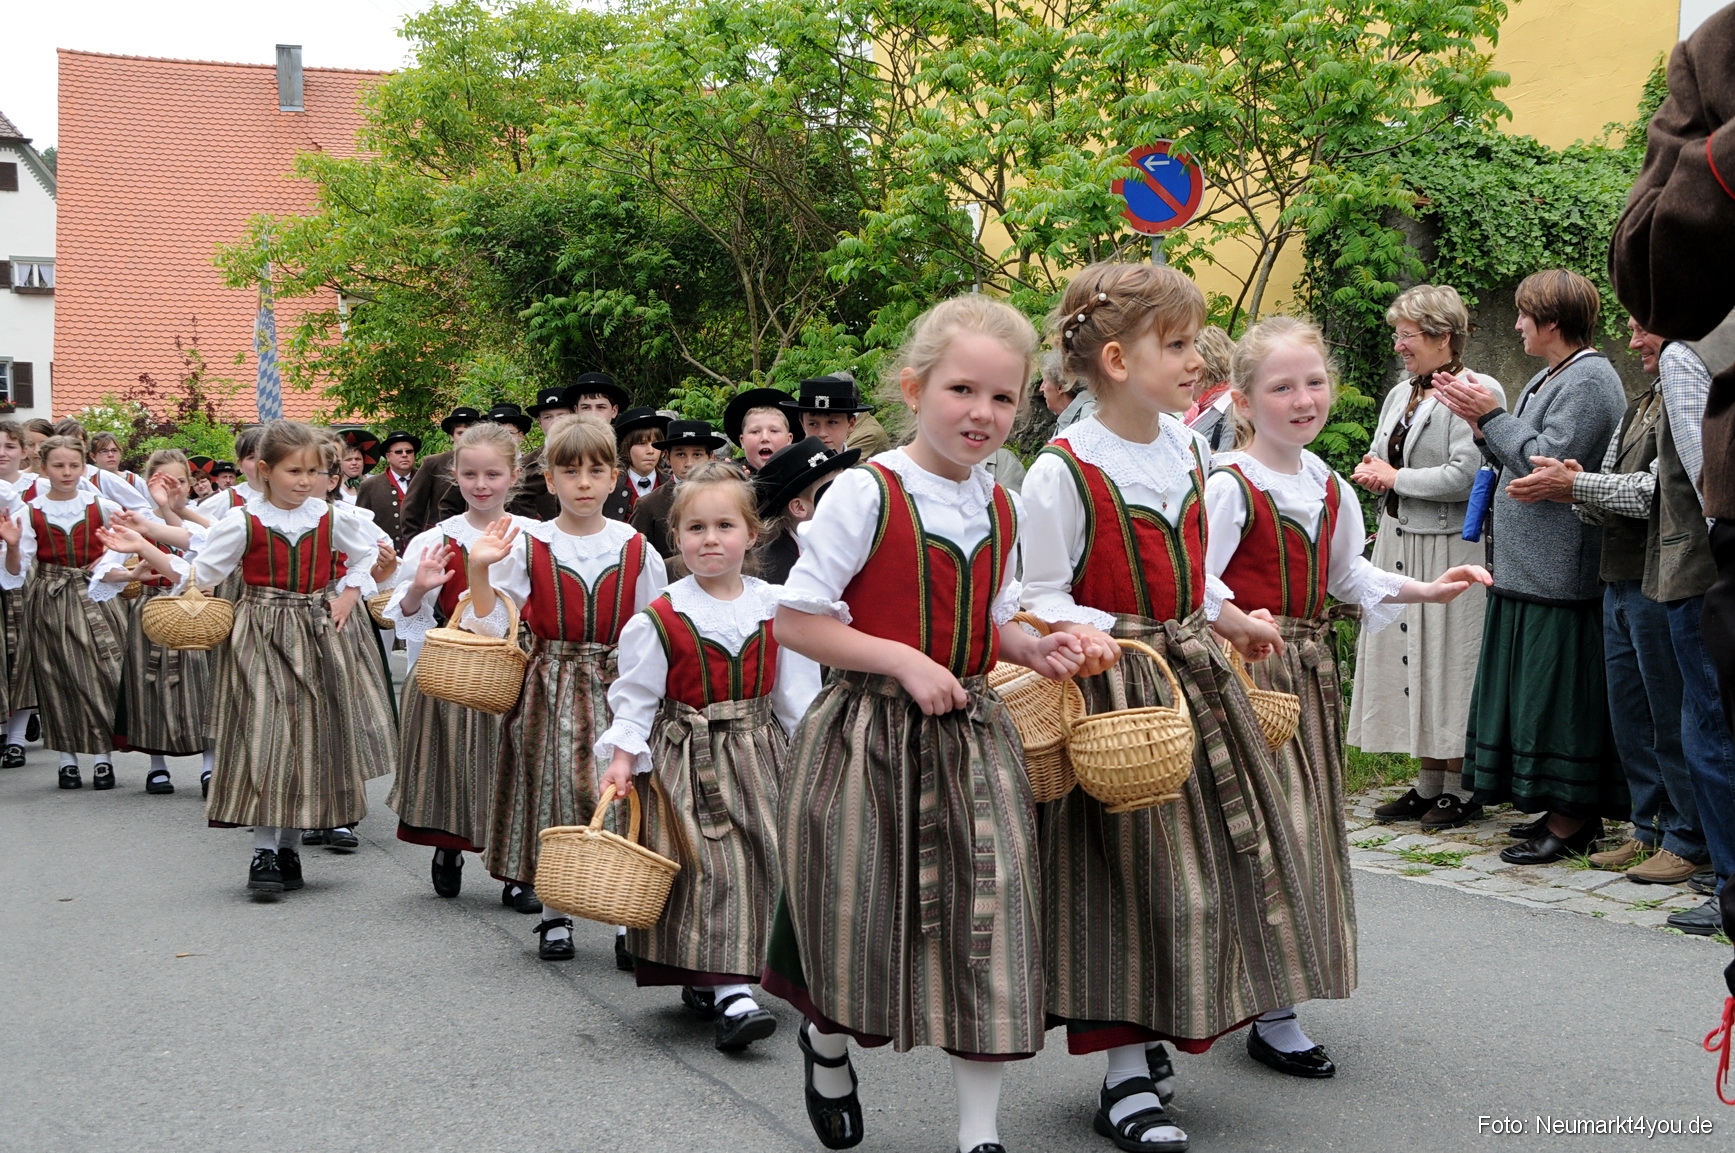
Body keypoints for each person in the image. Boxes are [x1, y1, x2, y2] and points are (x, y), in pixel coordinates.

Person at [765, 294, 1084, 1153]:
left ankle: (977, 1132)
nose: (981, 413)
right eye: (961, 390)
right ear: (913, 387)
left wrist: (1033, 648)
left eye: (1003, 397)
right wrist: (902, 660)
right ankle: (826, 1044)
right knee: (856, 914)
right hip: (866, 735)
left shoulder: (1003, 504)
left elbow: (989, 619)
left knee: (991, 921)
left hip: (973, 739)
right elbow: (797, 621)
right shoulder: (864, 493)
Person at [1020, 263, 1316, 1151]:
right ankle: (1122, 1076)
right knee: (1126, 880)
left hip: (1195, 676)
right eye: (1177, 344)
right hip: (1119, 695)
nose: (1196, 360)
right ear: (1115, 358)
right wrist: (1093, 631)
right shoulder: (1062, 469)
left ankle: (1165, 1029)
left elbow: (1197, 574)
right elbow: (1037, 590)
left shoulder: (1190, 450)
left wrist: (1233, 619)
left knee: (1205, 875)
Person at [1207, 316, 1492, 1077]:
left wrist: (1429, 589)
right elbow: (1190, 585)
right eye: (1281, 386)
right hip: (1238, 676)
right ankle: (1234, 996)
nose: (1303, 399)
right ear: (1241, 400)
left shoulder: (1327, 483)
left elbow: (1347, 578)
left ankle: (1272, 1003)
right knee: (1249, 833)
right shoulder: (1228, 485)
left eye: (1313, 382)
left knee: (1300, 832)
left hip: (1303, 676)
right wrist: (1238, 625)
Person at [108, 420, 395, 894]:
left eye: (313, 471)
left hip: (318, 634)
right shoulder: (242, 521)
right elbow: (197, 573)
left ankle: (290, 848)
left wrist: (349, 592)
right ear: (265, 470)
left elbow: (370, 554)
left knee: (308, 737)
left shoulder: (330, 517)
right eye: (293, 471)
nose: (304, 481)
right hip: (258, 632)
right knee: (265, 736)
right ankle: (264, 848)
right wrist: (143, 547)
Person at [1508, 318, 1726, 917]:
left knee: (1672, 717)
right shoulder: (1641, 401)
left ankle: (1688, 841)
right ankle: (1649, 827)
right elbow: (1608, 480)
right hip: (1622, 574)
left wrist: (1577, 487)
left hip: (1667, 576)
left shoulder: (1688, 389)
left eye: (1643, 331)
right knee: (1633, 716)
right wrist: (1579, 486)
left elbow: (1652, 492)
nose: (1633, 343)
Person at [598, 463, 820, 1050]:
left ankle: (724, 973)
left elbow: (796, 695)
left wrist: (812, 757)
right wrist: (623, 757)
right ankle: (732, 993)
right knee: (711, 869)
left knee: (765, 862)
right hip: (686, 759)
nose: (710, 539)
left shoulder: (777, 607)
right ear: (677, 537)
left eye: (725, 525)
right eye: (695, 528)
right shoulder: (660, 617)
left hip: (760, 751)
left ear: (753, 533)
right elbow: (637, 697)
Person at [1609, 4, 1735, 958]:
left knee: (1702, 728)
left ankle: (1701, 850)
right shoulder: (1715, 49)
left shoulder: (1684, 365)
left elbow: (1677, 477)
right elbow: (1653, 265)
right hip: (1686, 566)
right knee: (1691, 723)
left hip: (1686, 564)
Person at [1434, 268, 1629, 865]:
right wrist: (1481, 424)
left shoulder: (1593, 380)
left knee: (1559, 695)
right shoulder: (1550, 375)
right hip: (1528, 567)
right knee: (1532, 693)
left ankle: (1575, 816)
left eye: (1524, 315)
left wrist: (1493, 417)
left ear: (1551, 322)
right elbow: (1514, 457)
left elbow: (1543, 463)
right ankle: (1554, 804)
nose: (1515, 324)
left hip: (1561, 573)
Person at [455, 415, 666, 952]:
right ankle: (554, 913)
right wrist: (479, 572)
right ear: (549, 480)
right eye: (570, 471)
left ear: (615, 477)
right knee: (551, 793)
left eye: (596, 470)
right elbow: (493, 625)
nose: (584, 483)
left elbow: (654, 632)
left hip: (618, 682)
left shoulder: (637, 548)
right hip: (548, 681)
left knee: (619, 793)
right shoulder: (529, 544)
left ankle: (623, 918)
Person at [1350, 285, 1505, 829]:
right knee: (1407, 659)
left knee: (1448, 662)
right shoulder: (1401, 393)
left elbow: (1469, 475)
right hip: (1399, 542)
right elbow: (1383, 453)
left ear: (1443, 336)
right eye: (1398, 334)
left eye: (1407, 335)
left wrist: (1395, 478)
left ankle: (1461, 790)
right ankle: (1426, 784)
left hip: (1447, 547)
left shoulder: (1476, 390)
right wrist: (1375, 471)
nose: (1399, 345)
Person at [384, 422, 534, 899]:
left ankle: (516, 872)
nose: (482, 485)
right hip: (452, 667)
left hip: (514, 665)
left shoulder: (534, 537)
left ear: (513, 476)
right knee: (453, 763)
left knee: (517, 766)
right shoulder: (435, 540)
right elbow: (404, 617)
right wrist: (417, 590)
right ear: (455, 476)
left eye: (493, 474)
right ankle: (448, 843)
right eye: (470, 475)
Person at [0, 436, 123, 790]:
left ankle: (102, 758)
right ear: (43, 468)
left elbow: (124, 544)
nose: (66, 472)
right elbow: (14, 571)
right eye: (58, 465)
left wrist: (109, 559)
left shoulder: (101, 505)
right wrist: (10, 545)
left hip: (96, 595)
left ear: (84, 468)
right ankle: (67, 760)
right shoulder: (29, 511)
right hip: (50, 598)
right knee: (57, 677)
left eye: (73, 465)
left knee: (103, 675)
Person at [99, 450, 217, 798]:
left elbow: (204, 547)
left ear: (189, 483)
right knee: (149, 686)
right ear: (149, 483)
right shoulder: (133, 521)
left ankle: (210, 765)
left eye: (179, 480)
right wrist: (132, 572)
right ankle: (157, 766)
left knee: (204, 688)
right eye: (163, 481)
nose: (172, 487)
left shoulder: (199, 520)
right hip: (152, 610)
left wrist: (170, 508)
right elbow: (103, 571)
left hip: (199, 609)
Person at [748, 437, 859, 584]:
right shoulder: (763, 574)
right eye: (834, 490)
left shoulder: (862, 539)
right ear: (799, 507)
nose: (847, 496)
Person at [631, 419, 729, 559]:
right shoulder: (649, 505)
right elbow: (636, 557)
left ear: (711, 457)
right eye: (680, 454)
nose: (689, 463)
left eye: (697, 454)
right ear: (667, 458)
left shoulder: (727, 498)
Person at [0, 421, 37, 765]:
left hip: (26, 578)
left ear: (24, 452)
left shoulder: (37, 488)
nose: (2, 453)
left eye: (10, 446)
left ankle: (16, 738)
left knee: (22, 658)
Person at [565, 373, 638, 521]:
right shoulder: (564, 449)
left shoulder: (629, 450)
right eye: (586, 407)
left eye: (601, 407)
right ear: (576, 410)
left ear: (614, 411)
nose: (593, 414)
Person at [401, 406, 482, 538]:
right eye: (461, 433)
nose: (466, 438)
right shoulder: (433, 464)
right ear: (452, 436)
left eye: (471, 433)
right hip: (440, 539)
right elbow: (411, 509)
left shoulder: (487, 463)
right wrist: (416, 546)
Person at [780, 375, 879, 456]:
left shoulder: (861, 476)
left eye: (832, 422)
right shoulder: (787, 472)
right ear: (802, 424)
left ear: (851, 424)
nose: (822, 433)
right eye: (813, 424)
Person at [356, 431, 421, 552]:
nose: (404, 455)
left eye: (409, 451)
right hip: (385, 555)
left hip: (421, 553)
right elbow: (362, 526)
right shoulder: (370, 486)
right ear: (388, 456)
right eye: (398, 452)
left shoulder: (426, 480)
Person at [1180, 325, 1237, 450]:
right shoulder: (1194, 410)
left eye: (1186, 365)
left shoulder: (1234, 413)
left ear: (1200, 370)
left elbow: (1226, 465)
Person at [724, 387, 795, 473]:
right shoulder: (730, 477)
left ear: (789, 439)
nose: (765, 438)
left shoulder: (806, 477)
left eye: (774, 431)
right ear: (742, 441)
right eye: (755, 432)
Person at [614, 407, 670, 509]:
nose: (651, 451)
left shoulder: (671, 485)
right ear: (626, 447)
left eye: (656, 443)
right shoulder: (612, 485)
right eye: (642, 443)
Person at [1038, 349, 1097, 433]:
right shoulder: (1066, 421)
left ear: (1061, 387)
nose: (1041, 388)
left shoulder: (1089, 415)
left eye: (1045, 381)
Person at [334, 426, 380, 503]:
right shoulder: (333, 485)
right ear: (340, 463)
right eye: (348, 459)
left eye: (358, 459)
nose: (354, 463)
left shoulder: (376, 482)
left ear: (364, 461)